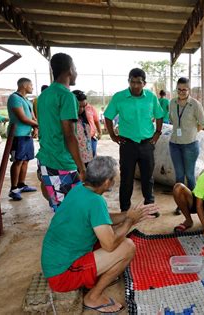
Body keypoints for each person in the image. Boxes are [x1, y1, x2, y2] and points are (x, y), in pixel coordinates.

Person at [41, 156, 159, 313]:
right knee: (127, 247)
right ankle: (93, 297)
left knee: (115, 237)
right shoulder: (96, 202)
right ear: (106, 183)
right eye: (113, 178)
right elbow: (109, 245)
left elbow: (102, 218)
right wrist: (130, 221)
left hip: (56, 262)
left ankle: (97, 276)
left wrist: (128, 215)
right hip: (62, 275)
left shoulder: (80, 188)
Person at [104, 68, 164, 212]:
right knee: (126, 178)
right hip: (127, 144)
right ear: (128, 81)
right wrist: (113, 135)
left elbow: (159, 115)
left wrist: (157, 133)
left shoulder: (151, 97)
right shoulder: (119, 97)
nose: (135, 85)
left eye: (139, 82)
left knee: (147, 177)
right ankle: (125, 208)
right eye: (132, 82)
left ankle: (149, 206)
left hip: (147, 144)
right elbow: (108, 116)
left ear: (144, 83)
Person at [36, 53, 85, 212]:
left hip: (45, 157)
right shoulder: (66, 96)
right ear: (70, 70)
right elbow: (69, 135)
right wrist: (82, 168)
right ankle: (66, 236)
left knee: (59, 204)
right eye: (75, 68)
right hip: (61, 161)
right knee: (70, 209)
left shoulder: (43, 96)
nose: (76, 72)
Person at [169, 77, 204, 210]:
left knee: (189, 175)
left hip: (190, 145)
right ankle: (181, 204)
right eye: (179, 89)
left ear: (189, 89)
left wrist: (191, 133)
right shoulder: (172, 102)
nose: (182, 92)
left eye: (184, 89)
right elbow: (172, 120)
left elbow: (202, 123)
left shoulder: (195, 104)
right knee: (179, 175)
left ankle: (196, 204)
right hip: (174, 144)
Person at [6, 78, 39, 201]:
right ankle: (13, 188)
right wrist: (37, 125)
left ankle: (21, 184)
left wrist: (35, 128)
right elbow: (23, 118)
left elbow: (32, 117)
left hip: (26, 134)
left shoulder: (27, 100)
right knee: (18, 160)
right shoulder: (14, 98)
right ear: (24, 85)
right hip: (17, 134)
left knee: (26, 160)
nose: (32, 87)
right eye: (30, 85)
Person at [72, 90, 93, 168]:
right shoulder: (68, 122)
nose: (81, 109)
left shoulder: (82, 119)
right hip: (76, 161)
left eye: (84, 106)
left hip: (87, 158)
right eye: (79, 106)